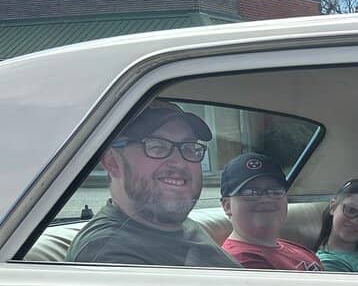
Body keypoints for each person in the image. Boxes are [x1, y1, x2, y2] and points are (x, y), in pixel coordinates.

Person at [68, 99, 239, 268]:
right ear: (112, 162)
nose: (180, 163)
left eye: (189, 148)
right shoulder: (108, 254)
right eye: (157, 146)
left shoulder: (168, 222)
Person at [219, 153, 323, 271]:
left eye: (275, 191)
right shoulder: (240, 262)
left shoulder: (297, 249)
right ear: (227, 206)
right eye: (250, 193)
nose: (266, 199)